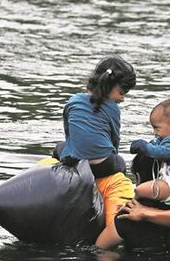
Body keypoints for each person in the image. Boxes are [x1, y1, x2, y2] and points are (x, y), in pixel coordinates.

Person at [54, 56, 137, 249]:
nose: (123, 98)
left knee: (58, 147)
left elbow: (69, 135)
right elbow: (114, 139)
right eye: (122, 92)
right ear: (110, 86)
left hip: (76, 163)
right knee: (120, 161)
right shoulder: (113, 108)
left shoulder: (73, 101)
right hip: (104, 166)